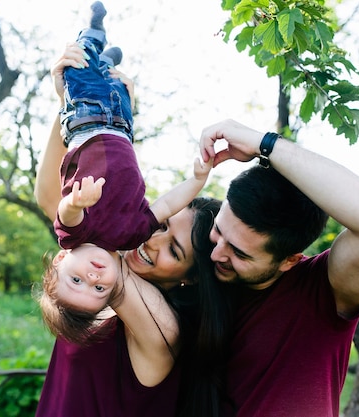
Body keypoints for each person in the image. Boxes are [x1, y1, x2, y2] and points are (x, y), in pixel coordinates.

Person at [33, 16, 229, 417]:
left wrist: (103, 124)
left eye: (174, 248)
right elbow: (53, 197)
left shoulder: (164, 333)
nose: (151, 239)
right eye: (160, 226)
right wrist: (68, 109)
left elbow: (74, 230)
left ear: (190, 276)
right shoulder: (101, 271)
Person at [199, 120, 359, 417]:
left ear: (288, 261)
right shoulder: (201, 271)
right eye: (219, 231)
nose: (217, 253)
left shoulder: (321, 292)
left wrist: (264, 144)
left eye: (240, 252)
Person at [41, 1, 212, 341]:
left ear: (61, 260)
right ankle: (105, 64)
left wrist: (76, 202)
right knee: (115, 88)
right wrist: (196, 181)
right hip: (122, 127)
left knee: (79, 69)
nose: (92, 278)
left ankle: (94, 33)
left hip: (84, 123)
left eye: (77, 280)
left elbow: (62, 211)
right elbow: (164, 206)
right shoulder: (132, 236)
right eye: (100, 289)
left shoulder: (77, 235)